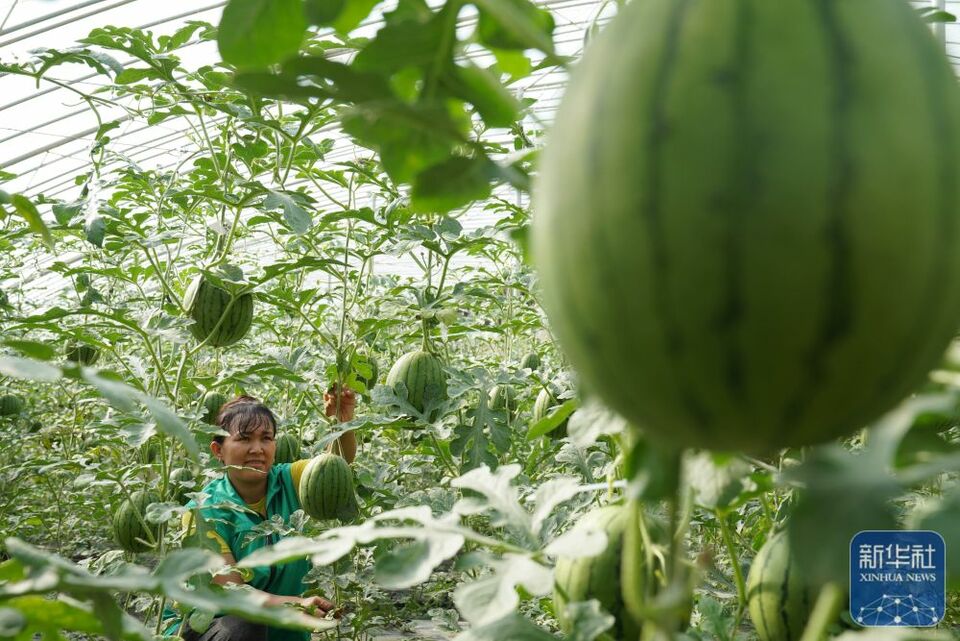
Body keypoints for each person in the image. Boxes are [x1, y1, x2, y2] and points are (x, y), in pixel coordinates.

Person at [164, 386, 358, 641]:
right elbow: (230, 590)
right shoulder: (203, 511)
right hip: (207, 629)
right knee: (245, 625)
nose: (257, 448)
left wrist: (343, 422)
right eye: (244, 439)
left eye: (266, 438)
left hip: (280, 630)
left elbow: (333, 467)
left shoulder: (290, 479)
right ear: (218, 450)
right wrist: (294, 604)